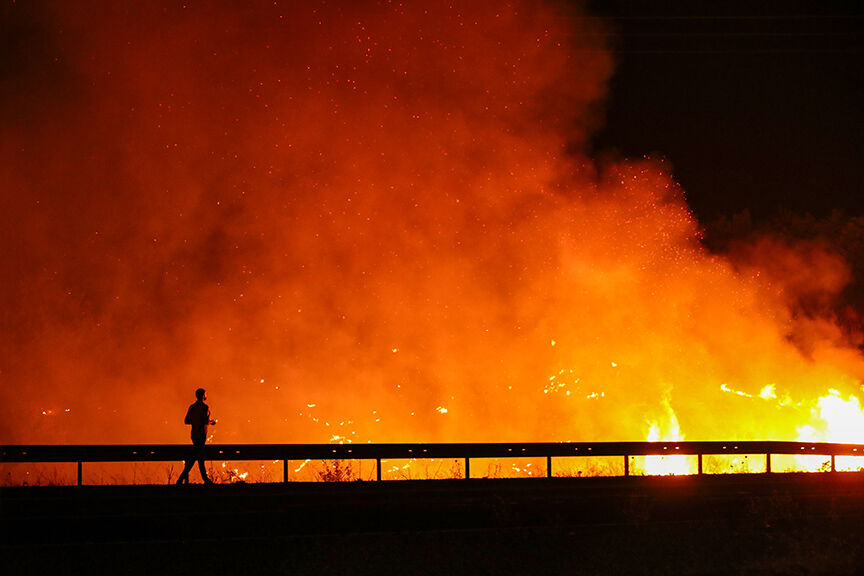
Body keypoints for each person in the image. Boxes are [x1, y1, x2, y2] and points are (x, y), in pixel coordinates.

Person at [176, 388, 216, 484]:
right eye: (205, 394)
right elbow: (205, 421)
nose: (206, 396)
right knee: (194, 458)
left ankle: (205, 479)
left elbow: (186, 421)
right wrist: (212, 422)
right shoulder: (205, 407)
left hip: (194, 435)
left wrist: (195, 421)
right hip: (201, 435)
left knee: (199, 457)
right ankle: (181, 479)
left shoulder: (192, 407)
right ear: (203, 396)